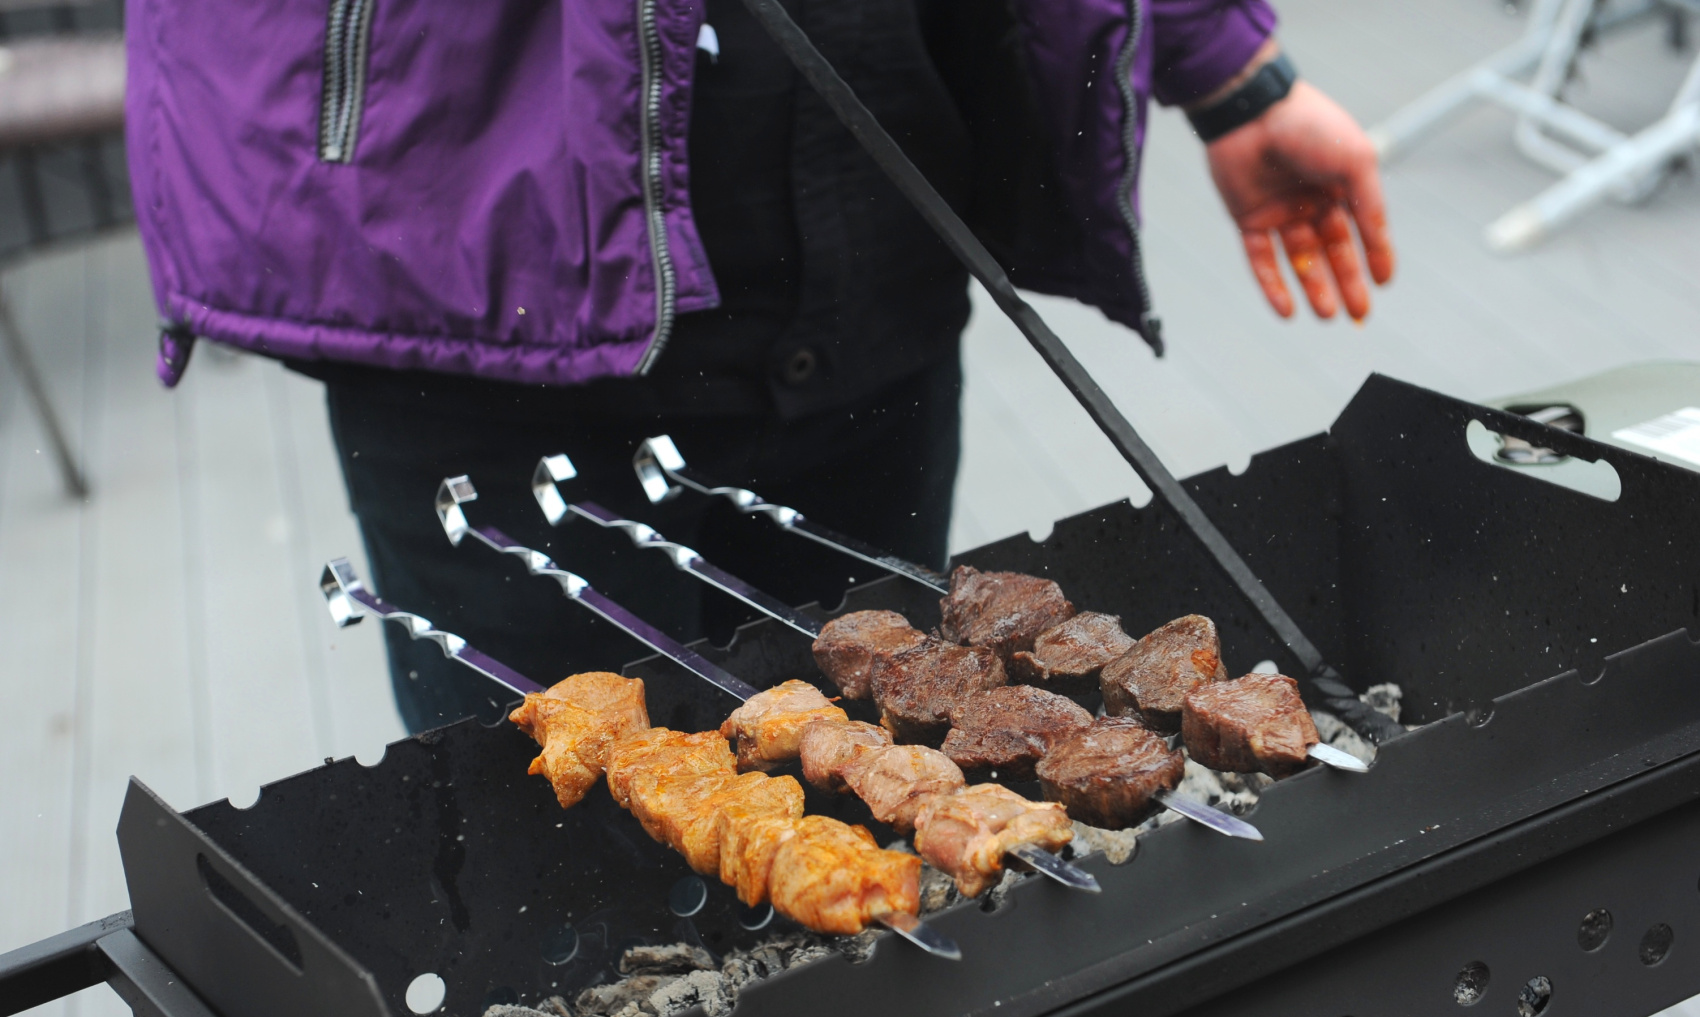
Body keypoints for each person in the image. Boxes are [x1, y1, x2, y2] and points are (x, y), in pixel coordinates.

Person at [126, 0, 1393, 732]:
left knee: (881, 760)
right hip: (480, 282)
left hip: (872, 235)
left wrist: (1221, 59)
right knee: (568, 870)